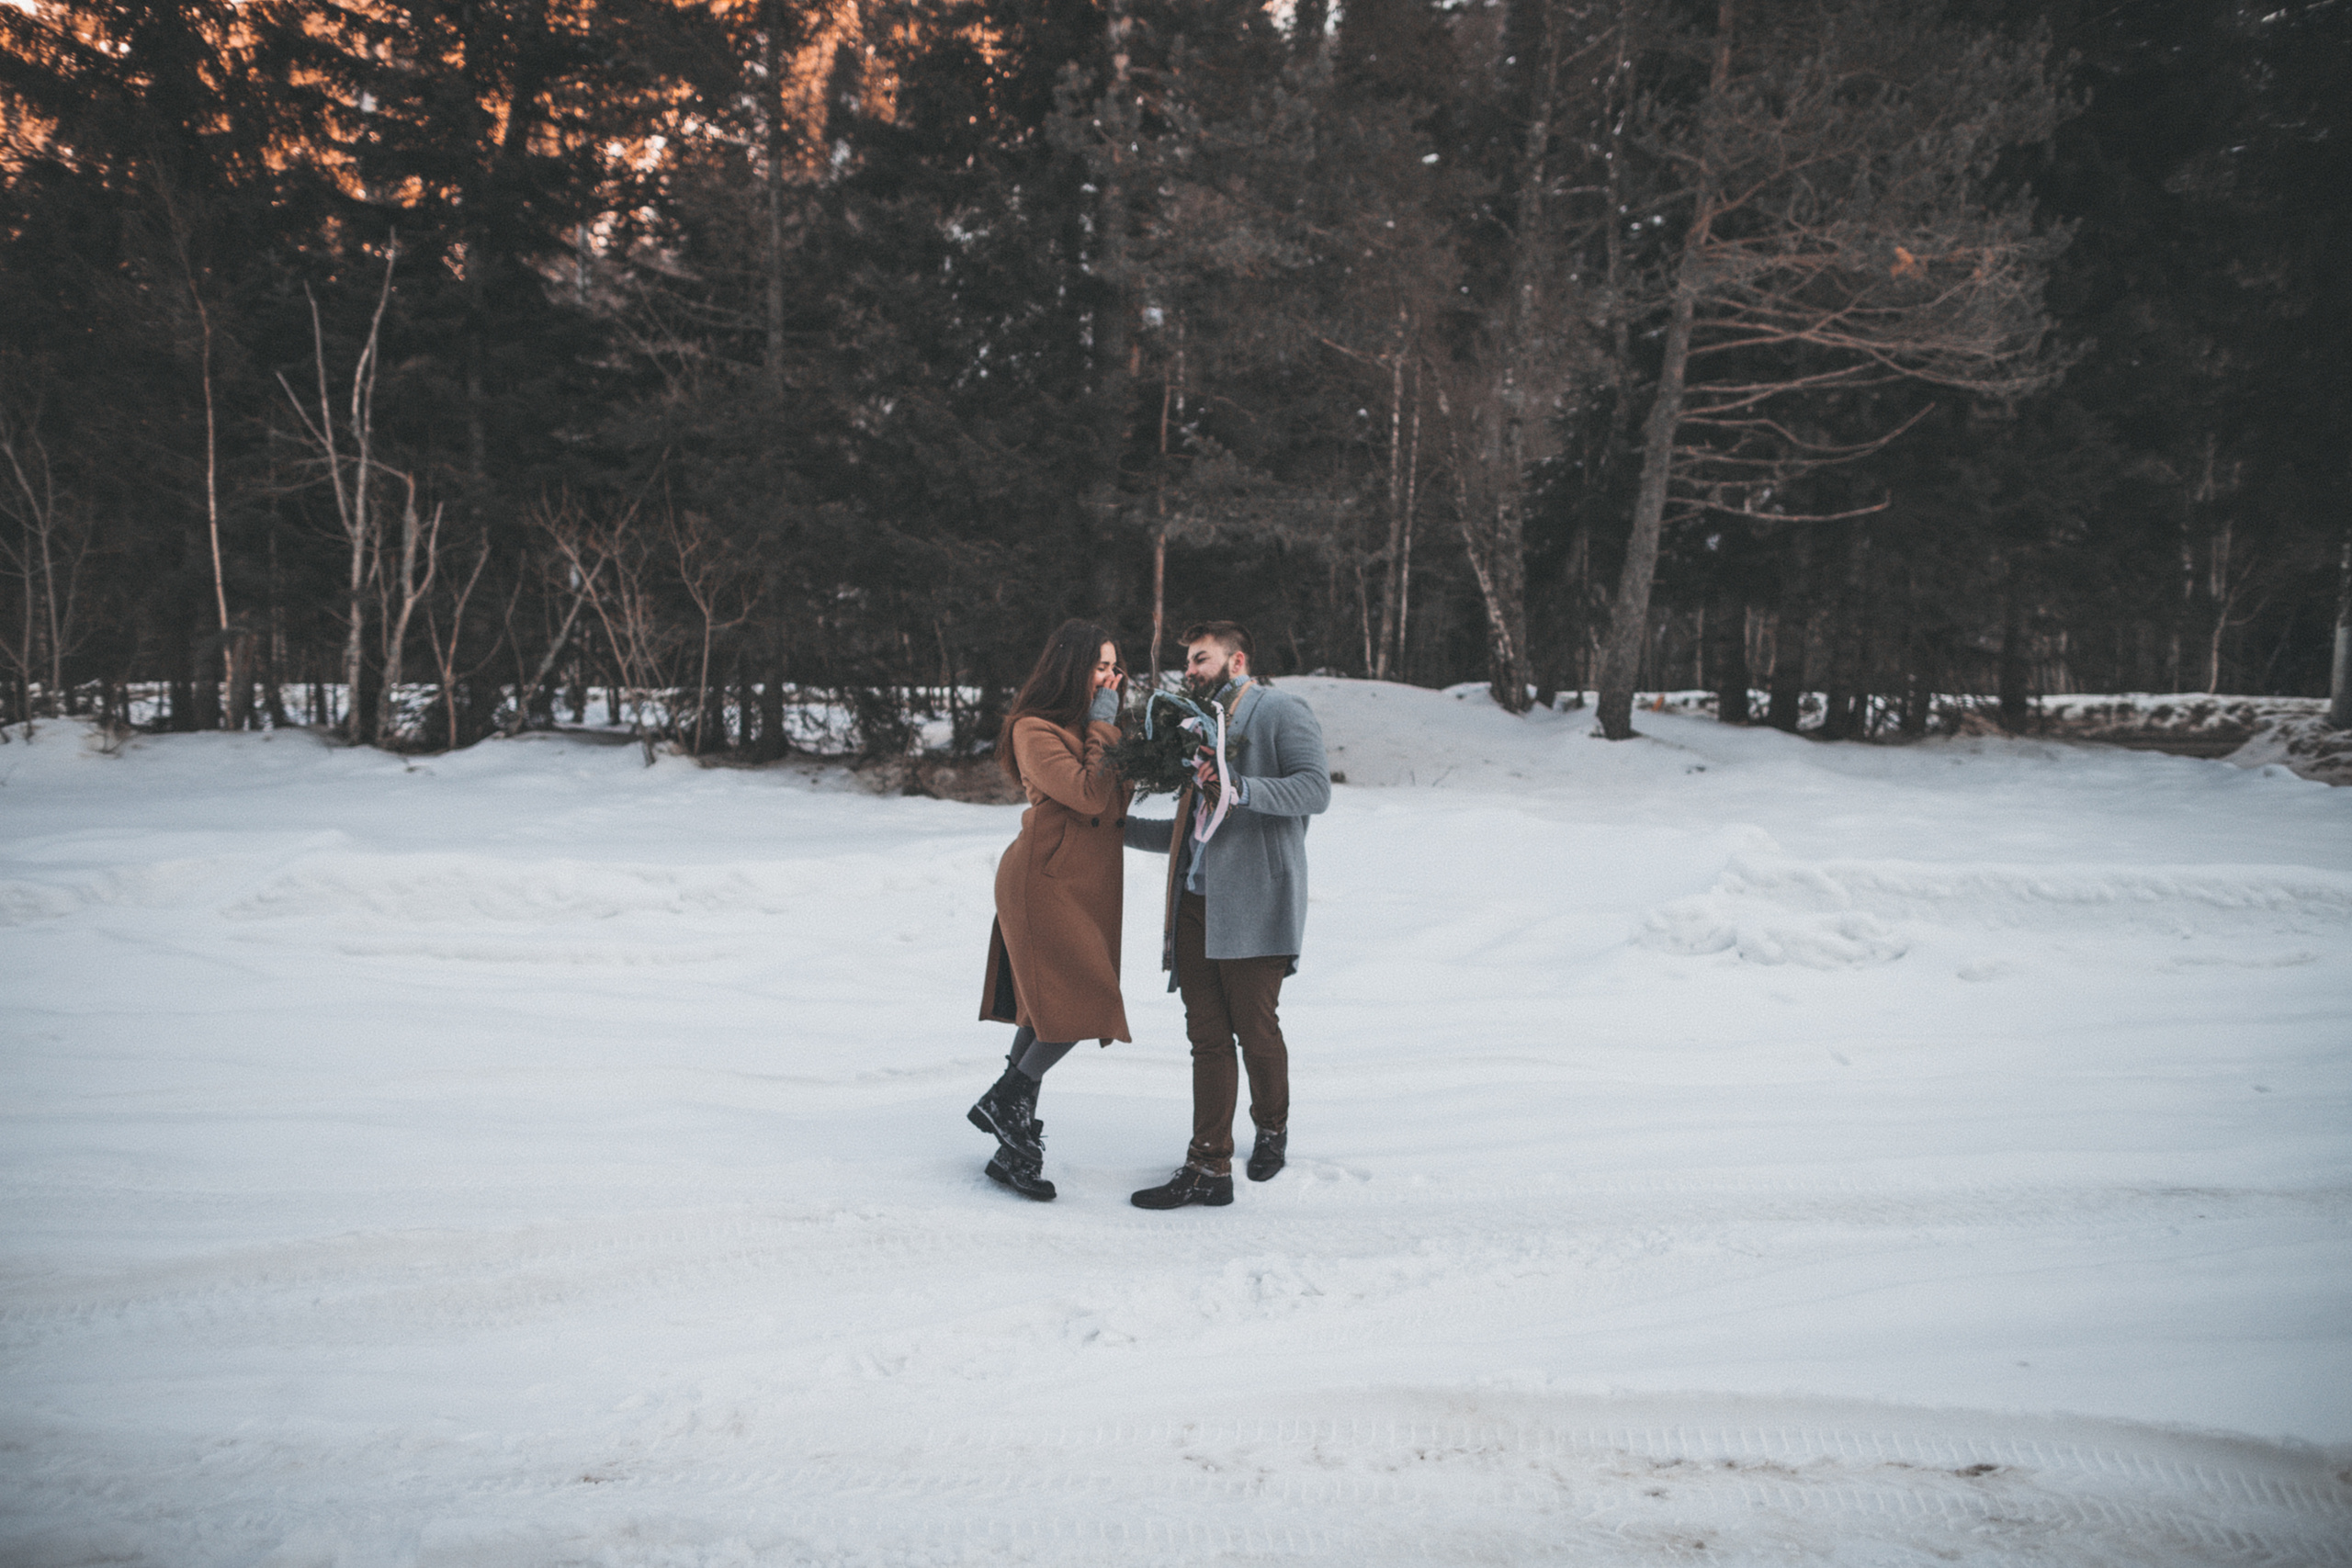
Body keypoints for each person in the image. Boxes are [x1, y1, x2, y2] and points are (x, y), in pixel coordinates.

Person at [1123, 621, 1330, 1210]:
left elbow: (1315, 790)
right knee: (1207, 1038)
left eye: (1200, 659)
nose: (1189, 670)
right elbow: (1191, 830)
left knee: (1255, 1029)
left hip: (1258, 903)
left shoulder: (1280, 712)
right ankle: (1208, 1165)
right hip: (1194, 905)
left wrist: (1239, 788)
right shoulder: (1195, 727)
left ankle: (1271, 1127)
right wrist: (1116, 829)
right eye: (1187, 662)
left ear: (1236, 661)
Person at [969, 618, 1133, 1201]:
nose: (1111, 677)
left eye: (1115, 667)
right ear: (1071, 667)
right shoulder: (1033, 730)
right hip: (1042, 880)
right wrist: (1106, 723)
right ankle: (1003, 1102)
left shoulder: (1090, 726)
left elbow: (1113, 802)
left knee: (1045, 1012)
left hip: (1082, 885)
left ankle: (1012, 1151)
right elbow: (1089, 794)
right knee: (1085, 1004)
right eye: (1099, 666)